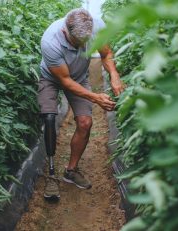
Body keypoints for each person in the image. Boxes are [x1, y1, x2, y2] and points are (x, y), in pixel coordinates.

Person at [38, 8, 125, 200]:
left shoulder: (96, 26)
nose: (81, 47)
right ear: (65, 32)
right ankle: (51, 175)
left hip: (79, 76)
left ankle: (71, 170)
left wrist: (114, 74)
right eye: (76, 43)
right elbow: (65, 81)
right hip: (52, 77)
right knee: (50, 117)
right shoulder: (50, 41)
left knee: (86, 123)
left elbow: (105, 53)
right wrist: (95, 97)